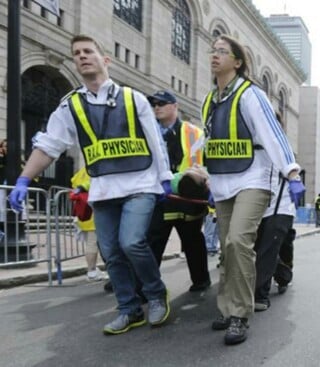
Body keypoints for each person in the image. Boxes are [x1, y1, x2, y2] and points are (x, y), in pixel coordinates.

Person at [8, 35, 173, 335]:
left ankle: (155, 294)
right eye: (76, 53)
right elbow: (49, 145)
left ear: (105, 59)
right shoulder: (70, 105)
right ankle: (129, 309)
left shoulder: (133, 98)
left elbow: (155, 141)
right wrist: (24, 179)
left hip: (140, 185)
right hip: (104, 190)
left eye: (88, 51)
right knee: (110, 251)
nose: (82, 56)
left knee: (132, 242)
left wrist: (164, 179)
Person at [200, 35, 304, 345]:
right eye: (213, 50)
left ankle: (240, 315)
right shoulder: (210, 99)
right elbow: (207, 142)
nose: (215, 55)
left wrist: (292, 171)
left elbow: (273, 134)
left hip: (253, 180)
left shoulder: (250, 94)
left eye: (223, 52)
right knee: (226, 251)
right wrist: (205, 176)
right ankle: (227, 307)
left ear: (237, 61)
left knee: (238, 243)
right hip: (222, 183)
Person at [146, 90, 211, 293]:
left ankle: (201, 280)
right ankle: (146, 288)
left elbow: (205, 162)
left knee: (193, 242)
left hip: (188, 198)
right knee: (153, 243)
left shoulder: (194, 133)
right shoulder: (147, 131)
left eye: (162, 103)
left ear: (175, 106)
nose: (157, 107)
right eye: (154, 103)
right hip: (160, 196)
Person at [253, 171, 296, 312]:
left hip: (281, 206)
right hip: (256, 206)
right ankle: (262, 287)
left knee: (272, 247)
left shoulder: (279, 152)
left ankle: (261, 294)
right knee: (262, 248)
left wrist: (295, 178)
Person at [70, 167, 109, 284]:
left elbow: (73, 183)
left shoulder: (81, 172)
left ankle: (92, 270)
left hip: (83, 212)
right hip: (94, 212)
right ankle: (91, 271)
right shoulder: (95, 170)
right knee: (94, 244)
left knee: (90, 243)